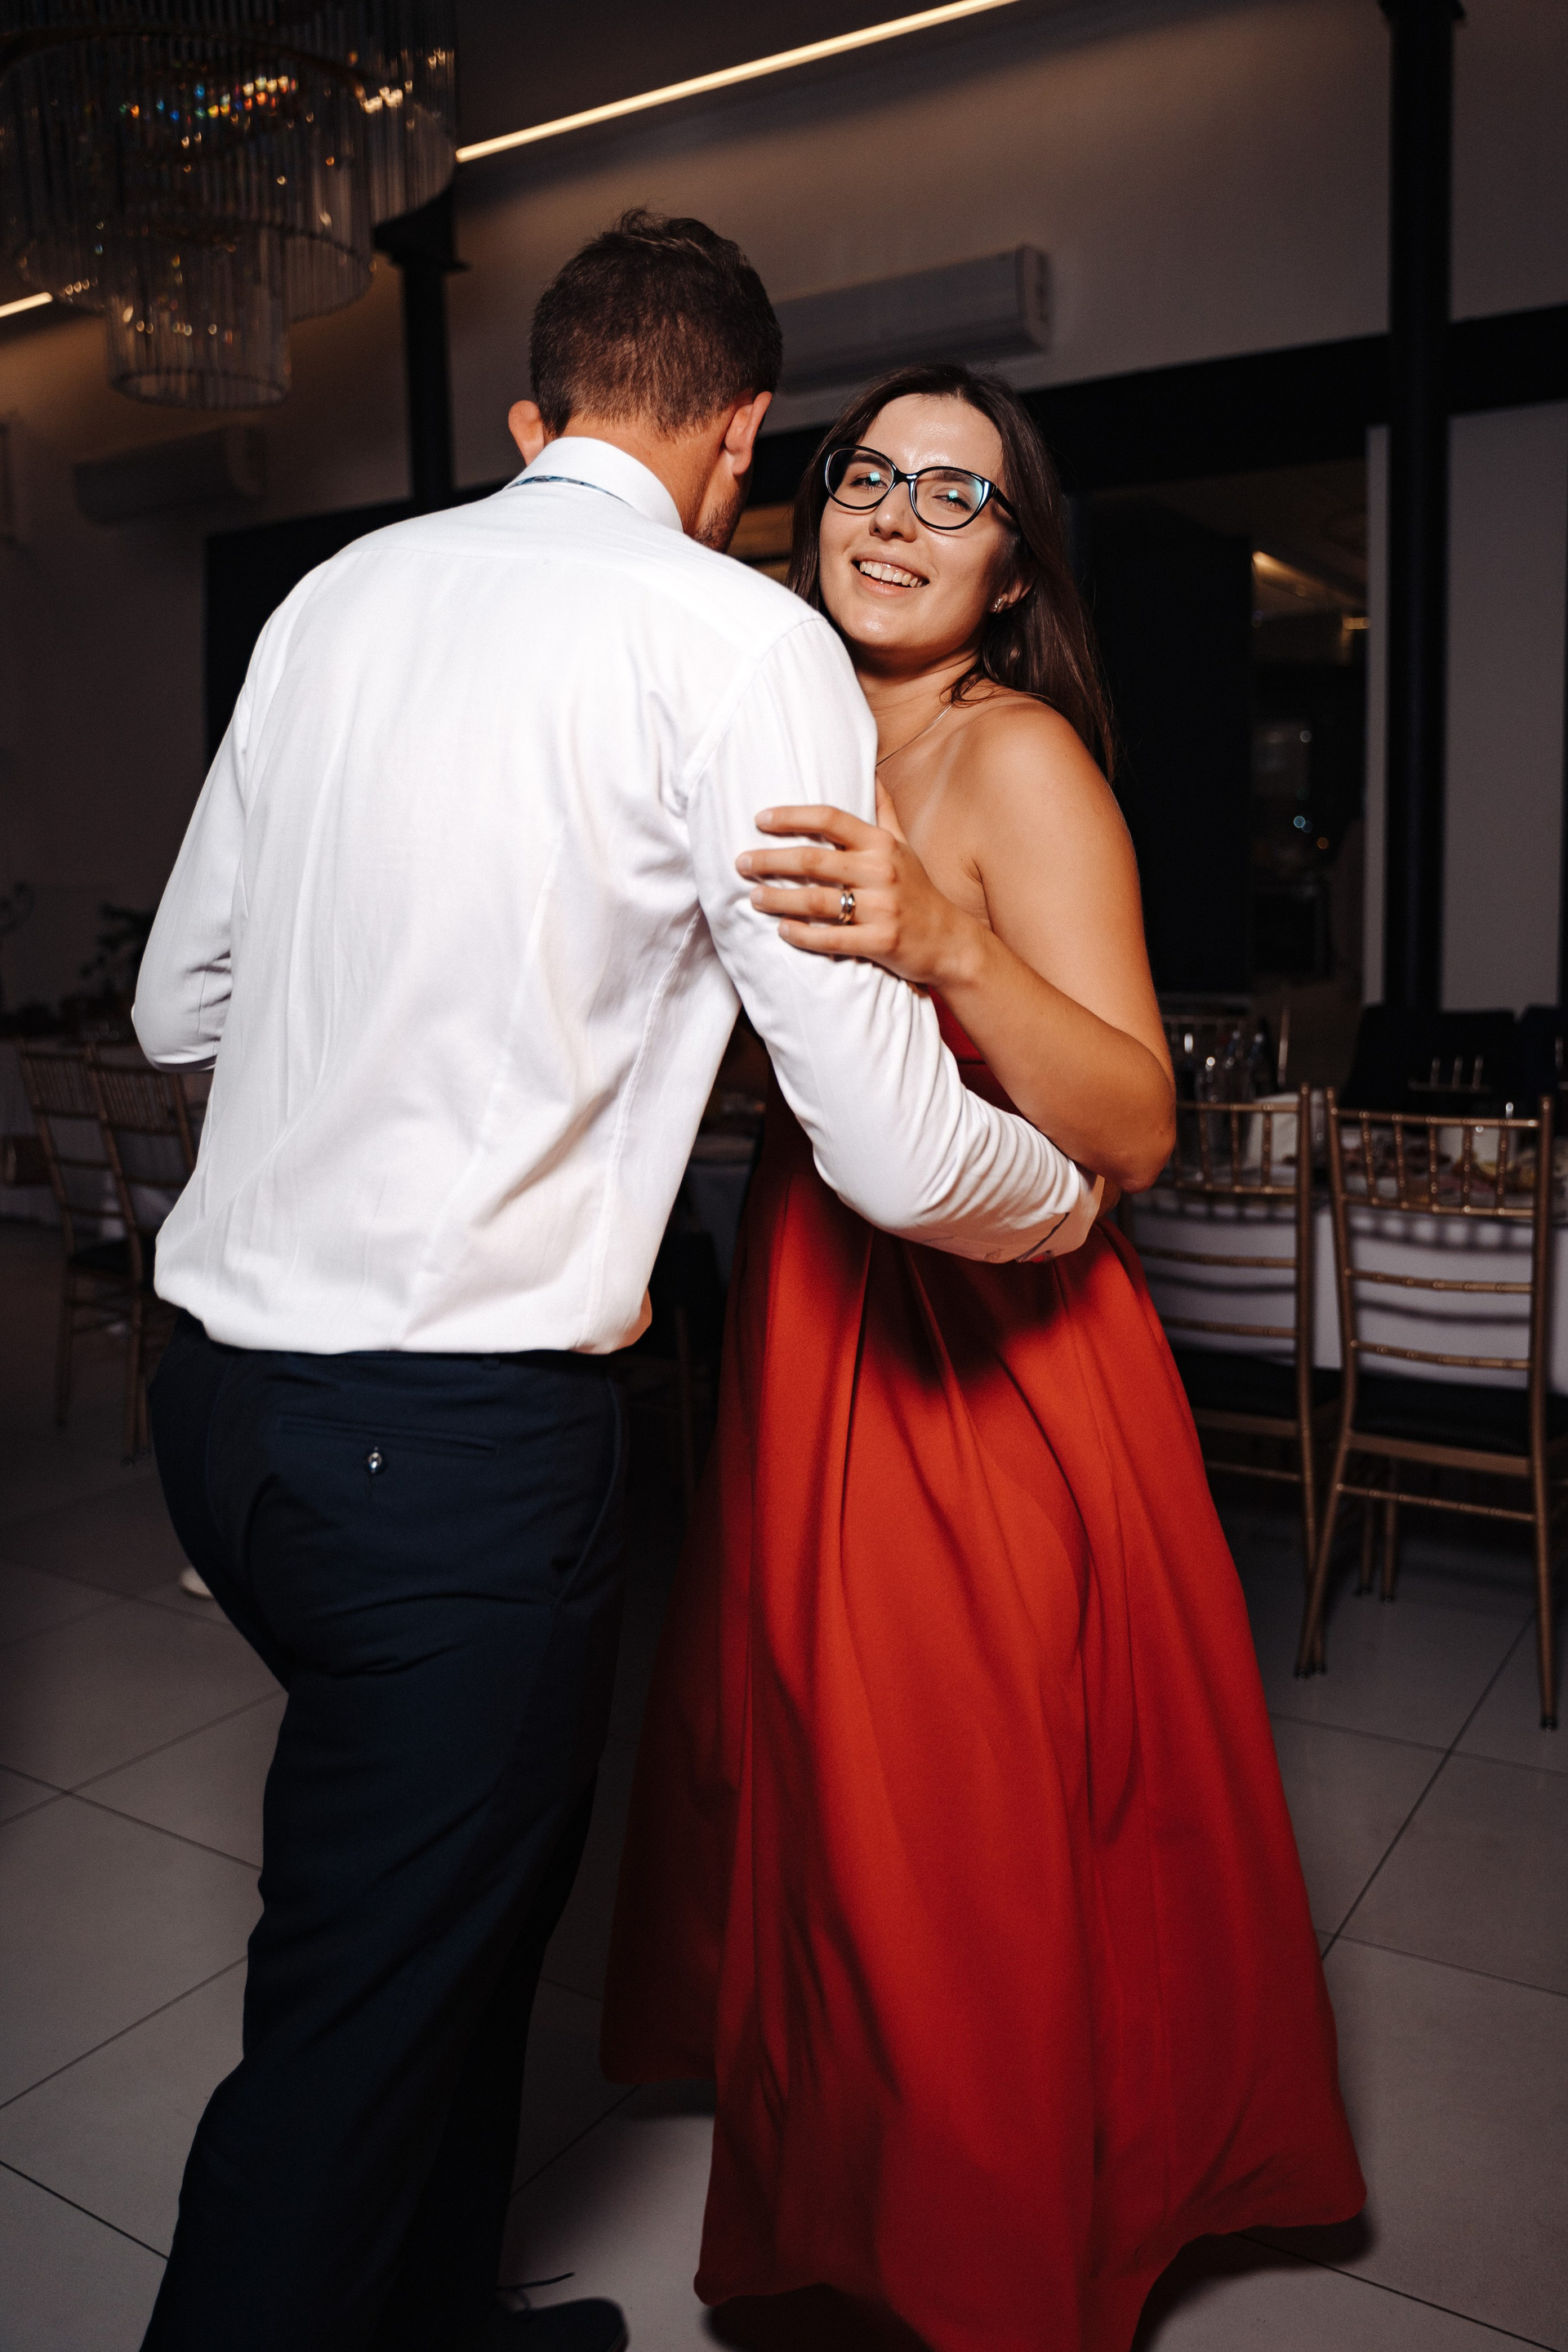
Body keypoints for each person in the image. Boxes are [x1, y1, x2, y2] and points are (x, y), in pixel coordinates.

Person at [131, 228, 1100, 2352]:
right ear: (745, 437)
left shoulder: (334, 598)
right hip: (447, 1454)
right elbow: (889, 1144)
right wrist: (1064, 1203)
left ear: (532, 416)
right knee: (348, 2033)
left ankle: (441, 2323)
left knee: (457, 1923)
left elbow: (173, 1004)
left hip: (209, 1413)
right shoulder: (733, 635)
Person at [601, 363, 1365, 2352]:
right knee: (814, 1770)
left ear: (1016, 573)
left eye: (959, 494)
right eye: (872, 475)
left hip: (992, 1351)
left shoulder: (1019, 759)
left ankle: (986, 2245)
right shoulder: (780, 732)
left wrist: (949, 945)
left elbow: (1136, 1124)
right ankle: (851, 2189)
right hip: (816, 1302)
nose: (898, 516)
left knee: (954, 1815)